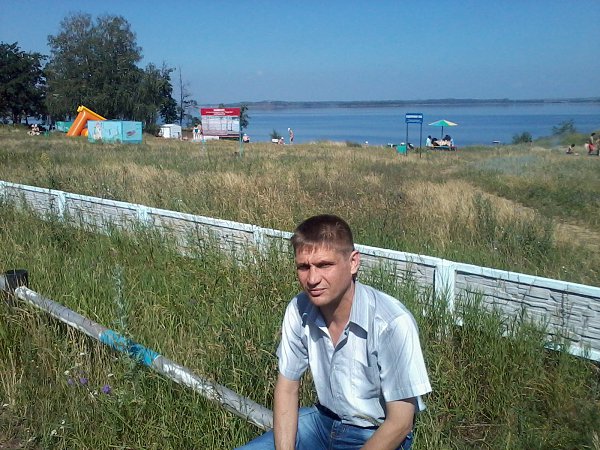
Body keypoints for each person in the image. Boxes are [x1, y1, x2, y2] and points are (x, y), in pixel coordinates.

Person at [237, 214, 431, 450]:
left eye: (324, 265)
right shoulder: (299, 309)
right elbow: (287, 388)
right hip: (322, 422)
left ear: (353, 262)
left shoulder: (391, 322)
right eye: (303, 267)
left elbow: (400, 423)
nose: (312, 279)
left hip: (375, 433)